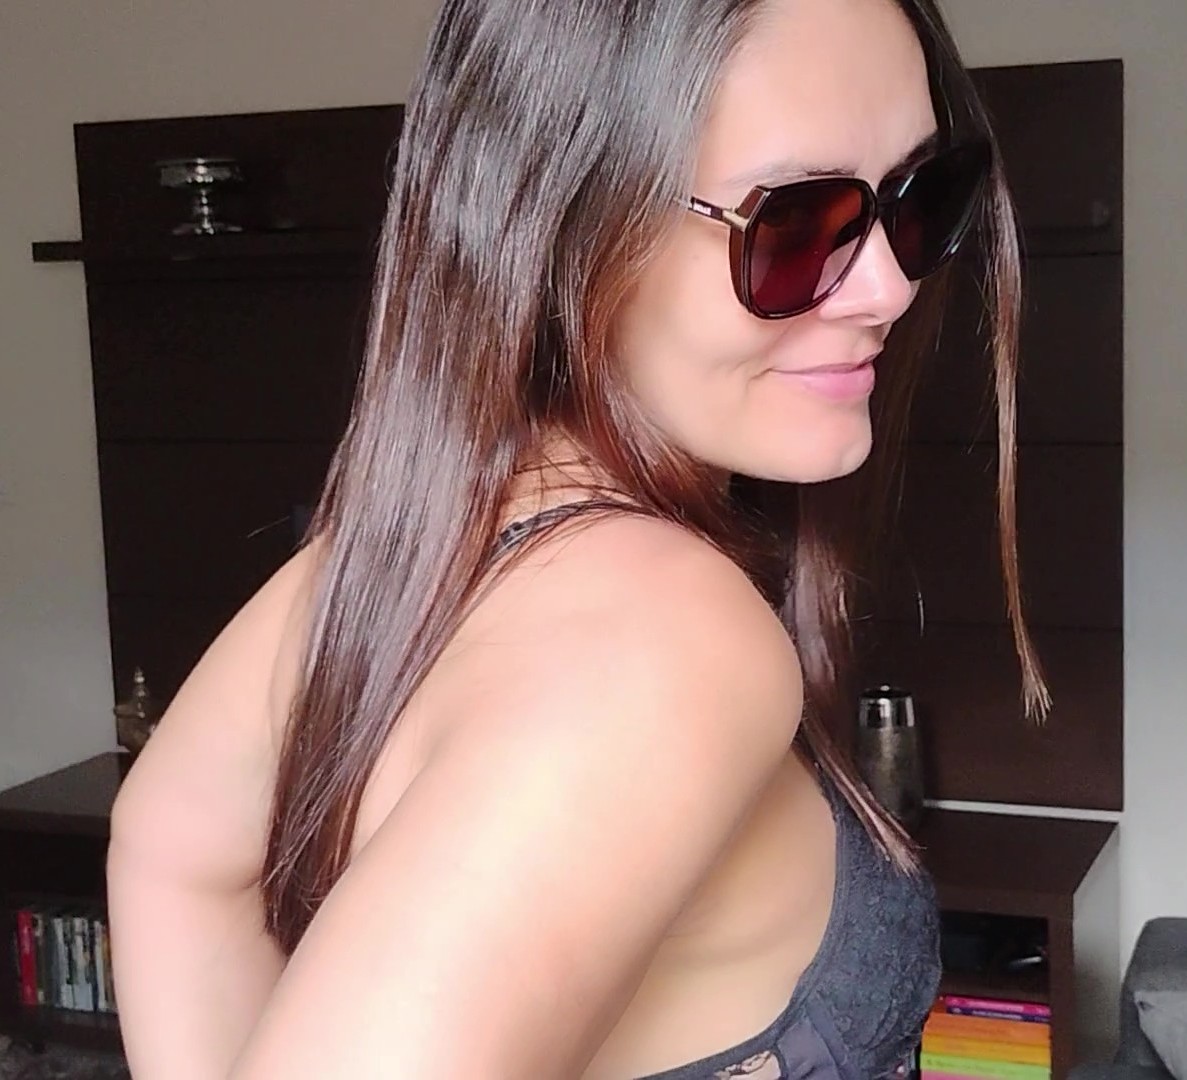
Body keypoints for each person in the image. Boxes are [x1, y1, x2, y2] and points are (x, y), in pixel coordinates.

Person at [106, 0, 1047, 1076]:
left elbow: (174, 854)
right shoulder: (663, 640)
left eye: (921, 195)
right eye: (794, 222)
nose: (888, 286)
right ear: (558, 225)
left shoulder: (410, 545)